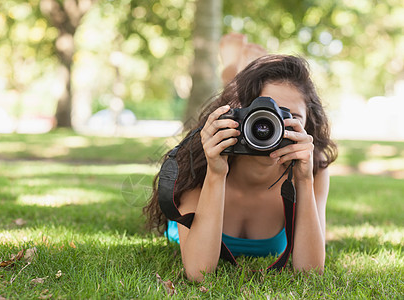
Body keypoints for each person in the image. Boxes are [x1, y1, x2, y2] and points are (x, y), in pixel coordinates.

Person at [143, 33, 338, 282]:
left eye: (290, 117)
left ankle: (243, 71)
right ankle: (235, 74)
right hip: (217, 163)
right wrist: (216, 173)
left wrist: (304, 181)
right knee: (234, 93)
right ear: (241, 118)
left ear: (308, 125)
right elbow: (198, 273)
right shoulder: (199, 164)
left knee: (244, 88)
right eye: (264, 115)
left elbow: (310, 272)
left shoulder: (315, 168)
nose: (273, 126)